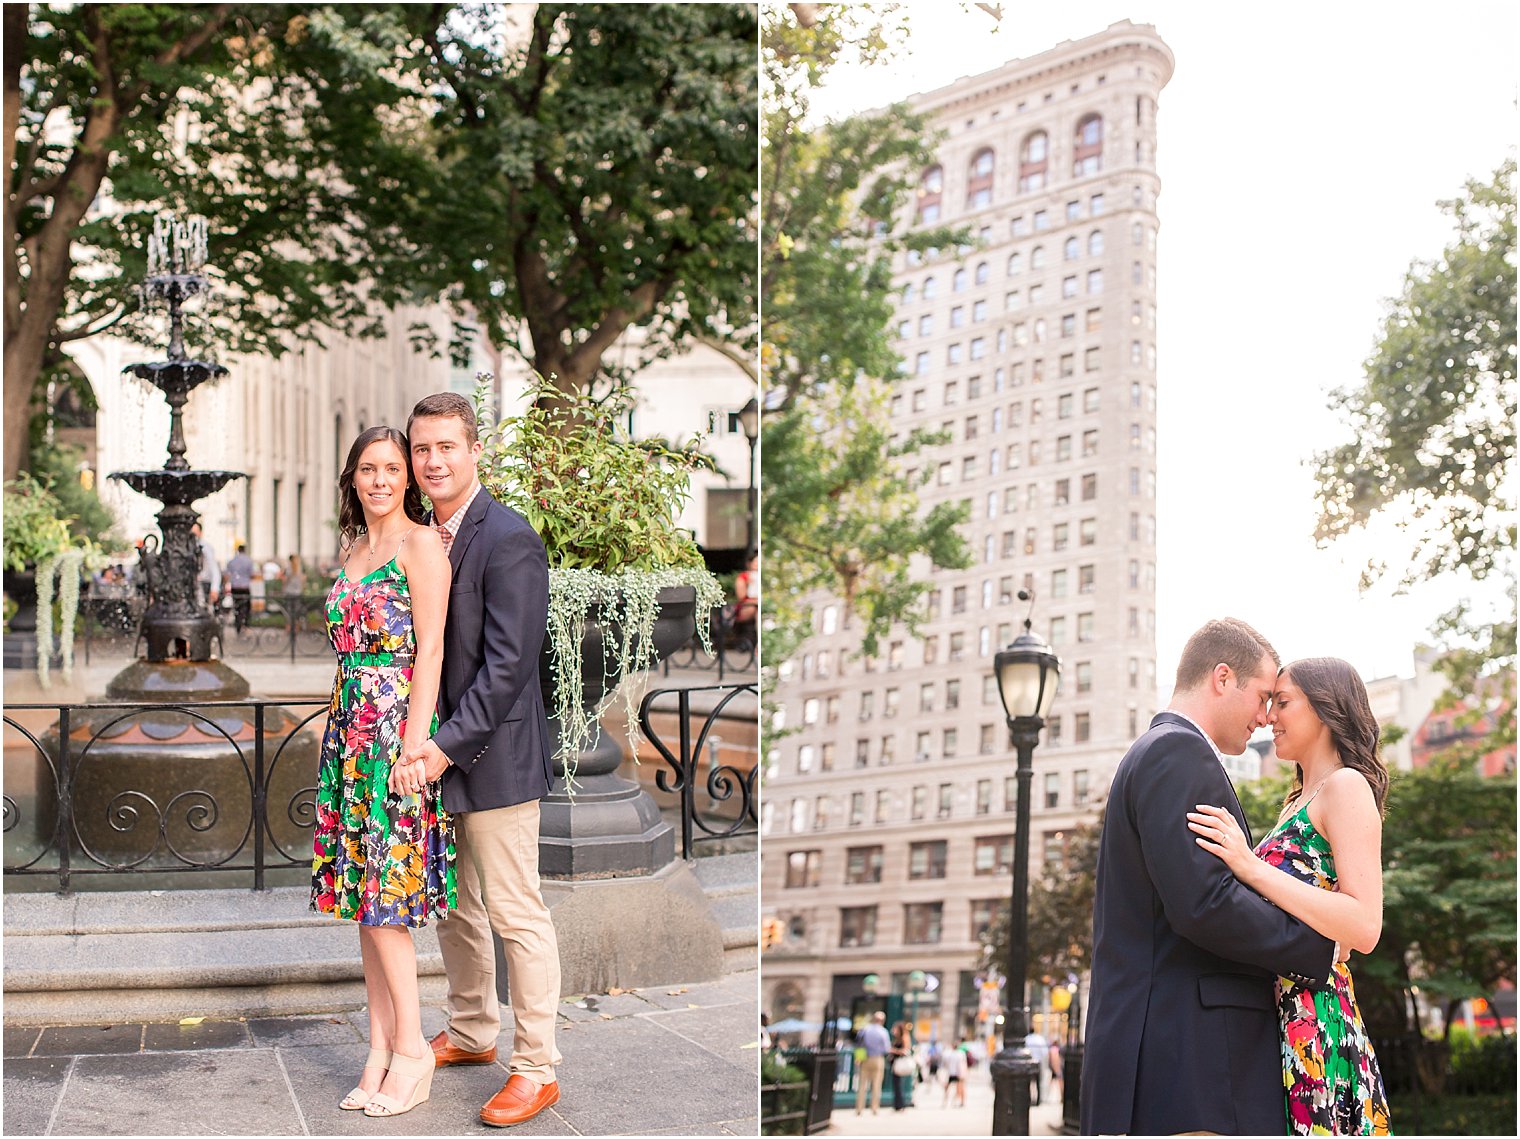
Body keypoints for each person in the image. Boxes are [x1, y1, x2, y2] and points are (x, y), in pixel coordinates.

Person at [1082, 618, 1339, 1136]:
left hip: (1174, 1053)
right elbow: (1205, 902)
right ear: (1223, 678)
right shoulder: (1178, 752)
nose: (1267, 717)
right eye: (1264, 696)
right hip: (1189, 1062)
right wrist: (1317, 949)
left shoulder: (1161, 751)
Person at [403, 393, 562, 1129]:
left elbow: (506, 667)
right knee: (456, 910)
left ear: (474, 452)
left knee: (514, 911)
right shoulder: (422, 535)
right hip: (436, 757)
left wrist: (441, 746)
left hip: (490, 754)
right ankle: (471, 1030)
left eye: (446, 447)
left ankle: (535, 1066)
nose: (432, 461)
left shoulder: (508, 537)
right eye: (421, 449)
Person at [309, 425, 454, 1119]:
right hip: (348, 738)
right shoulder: (352, 550)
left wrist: (413, 746)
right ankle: (379, 1049)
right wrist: (333, 732)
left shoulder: (422, 545)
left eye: (392, 468)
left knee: (388, 901)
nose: (380, 479)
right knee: (363, 906)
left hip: (395, 740)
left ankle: (415, 1052)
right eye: (368, 468)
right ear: (353, 477)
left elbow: (430, 655)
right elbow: (345, 657)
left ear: (408, 478)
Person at [1188, 657, 1392, 1135]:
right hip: (1278, 1015)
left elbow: (1364, 926)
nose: (1268, 716)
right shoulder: (1296, 800)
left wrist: (1249, 866)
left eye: (1282, 702)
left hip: (1317, 1019)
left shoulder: (1346, 786)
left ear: (1324, 709)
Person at [853, 1010, 892, 1115]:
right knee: (876, 1085)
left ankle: (859, 1109)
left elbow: (859, 1044)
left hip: (865, 1058)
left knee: (862, 1085)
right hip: (877, 1059)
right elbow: (886, 1048)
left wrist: (858, 1057)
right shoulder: (883, 1032)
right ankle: (874, 1108)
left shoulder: (865, 1030)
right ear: (882, 1020)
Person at [224, 542, 254, 632]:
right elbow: (251, 574)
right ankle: (245, 625)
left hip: (235, 587)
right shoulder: (248, 560)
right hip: (245, 587)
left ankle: (238, 625)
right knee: (246, 607)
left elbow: (227, 574)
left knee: (237, 606)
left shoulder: (233, 560)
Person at [191, 522, 220, 608]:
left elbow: (214, 568)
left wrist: (215, 588)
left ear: (200, 533)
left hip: (204, 584)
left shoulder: (206, 547)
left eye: (195, 533)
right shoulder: (187, 547)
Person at [888, 1019, 912, 1110]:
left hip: (900, 1063)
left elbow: (906, 1050)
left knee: (899, 1084)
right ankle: (897, 1104)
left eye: (896, 1029)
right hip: (895, 1063)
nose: (894, 1031)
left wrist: (893, 1050)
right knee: (896, 1084)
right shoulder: (896, 1038)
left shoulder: (904, 1037)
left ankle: (900, 1104)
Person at [1023, 1027, 1048, 1106]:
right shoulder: (1039, 1039)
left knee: (1028, 1083)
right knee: (1038, 1083)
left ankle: (1028, 1099)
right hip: (1037, 1063)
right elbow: (1044, 1052)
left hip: (1028, 1063)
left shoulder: (1026, 1039)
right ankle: (1038, 1100)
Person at [941, 1039, 967, 1108]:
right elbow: (963, 1064)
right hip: (958, 1073)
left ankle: (945, 1102)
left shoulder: (949, 1054)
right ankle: (961, 1101)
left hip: (951, 1073)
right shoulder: (961, 1054)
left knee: (947, 1089)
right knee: (960, 1088)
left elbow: (945, 1064)